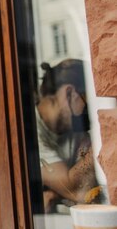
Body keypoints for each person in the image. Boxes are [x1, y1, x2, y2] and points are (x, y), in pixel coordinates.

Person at [35, 59, 98, 212]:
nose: (91, 110)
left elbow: (90, 187)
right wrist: (103, 136)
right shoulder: (28, 132)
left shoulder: (73, 128)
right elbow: (76, 190)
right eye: (88, 100)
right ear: (70, 92)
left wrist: (56, 193)